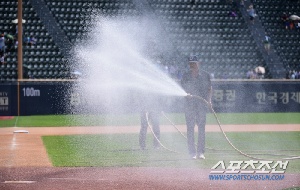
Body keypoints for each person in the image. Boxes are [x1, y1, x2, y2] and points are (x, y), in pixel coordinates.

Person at [181, 56, 212, 159]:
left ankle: (201, 152)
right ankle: (192, 152)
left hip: (201, 105)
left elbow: (209, 89)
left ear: (198, 63)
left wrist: (209, 101)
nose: (192, 65)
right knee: (190, 129)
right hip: (189, 106)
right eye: (190, 63)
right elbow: (182, 89)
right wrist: (186, 94)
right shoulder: (186, 76)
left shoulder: (205, 75)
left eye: (194, 63)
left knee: (201, 129)